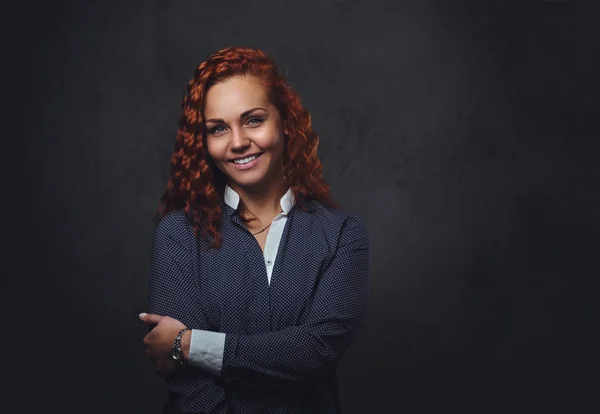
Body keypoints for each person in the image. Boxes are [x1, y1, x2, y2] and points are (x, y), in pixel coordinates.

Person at [139, 46, 370, 414]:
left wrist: (190, 345)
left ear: (285, 121)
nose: (237, 142)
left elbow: (315, 352)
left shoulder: (342, 233)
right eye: (218, 128)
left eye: (253, 120)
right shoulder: (178, 234)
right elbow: (190, 389)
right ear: (204, 141)